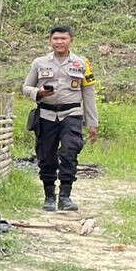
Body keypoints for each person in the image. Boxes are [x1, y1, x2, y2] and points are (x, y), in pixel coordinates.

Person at [22, 25, 99, 211]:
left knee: (70, 152)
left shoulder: (82, 64)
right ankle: (49, 196)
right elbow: (25, 87)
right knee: (46, 155)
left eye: (63, 39)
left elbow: (88, 93)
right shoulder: (39, 63)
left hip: (71, 114)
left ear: (70, 40)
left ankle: (65, 196)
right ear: (50, 41)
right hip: (46, 114)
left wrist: (92, 123)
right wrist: (38, 93)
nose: (59, 42)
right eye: (55, 39)